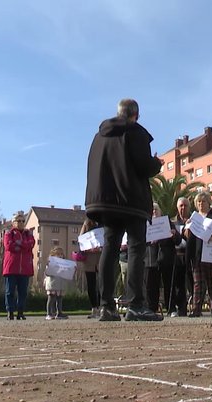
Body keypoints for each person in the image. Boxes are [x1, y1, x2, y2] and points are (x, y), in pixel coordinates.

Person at [85, 98, 163, 322]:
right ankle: (136, 304)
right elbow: (143, 166)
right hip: (131, 199)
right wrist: (155, 163)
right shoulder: (136, 132)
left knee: (109, 249)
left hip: (106, 201)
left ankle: (106, 306)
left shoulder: (99, 136)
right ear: (135, 115)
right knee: (136, 249)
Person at [183, 191, 212, 317]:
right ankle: (196, 309)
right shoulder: (194, 217)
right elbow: (187, 234)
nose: (200, 204)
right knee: (198, 283)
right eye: (198, 202)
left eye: (203, 201)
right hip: (197, 255)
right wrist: (186, 231)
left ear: (208, 202)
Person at [144, 203, 179, 313]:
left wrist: (174, 234)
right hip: (150, 259)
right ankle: (151, 309)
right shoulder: (145, 224)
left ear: (160, 211)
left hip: (166, 258)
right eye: (152, 210)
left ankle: (171, 308)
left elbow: (178, 240)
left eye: (156, 210)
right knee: (151, 286)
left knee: (169, 285)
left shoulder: (167, 222)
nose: (154, 212)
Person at [2, 212, 35, 320]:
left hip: (24, 268)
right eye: (18, 221)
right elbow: (9, 246)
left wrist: (19, 243)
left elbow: (30, 244)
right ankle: (10, 312)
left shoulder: (28, 234)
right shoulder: (8, 233)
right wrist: (23, 245)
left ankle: (20, 312)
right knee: (9, 291)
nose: (21, 223)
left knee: (23, 292)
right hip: (11, 267)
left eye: (22, 221)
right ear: (13, 222)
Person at [78, 219, 102, 319]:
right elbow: (81, 240)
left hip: (101, 256)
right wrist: (89, 248)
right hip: (89, 259)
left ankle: (102, 307)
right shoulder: (87, 223)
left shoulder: (103, 222)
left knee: (102, 283)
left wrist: (101, 248)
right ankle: (94, 308)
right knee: (91, 284)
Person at [171, 197, 192, 317]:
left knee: (191, 282)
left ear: (189, 207)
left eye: (185, 205)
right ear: (177, 207)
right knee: (178, 284)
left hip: (190, 256)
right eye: (181, 206)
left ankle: (194, 308)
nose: (183, 208)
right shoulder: (172, 222)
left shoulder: (194, 220)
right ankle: (180, 309)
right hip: (177, 256)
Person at [44, 246, 69, 319]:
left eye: (61, 254)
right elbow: (47, 273)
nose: (60, 256)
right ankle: (49, 313)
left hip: (60, 284)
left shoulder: (64, 264)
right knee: (51, 298)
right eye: (58, 254)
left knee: (59, 299)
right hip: (52, 284)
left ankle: (59, 313)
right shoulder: (50, 263)